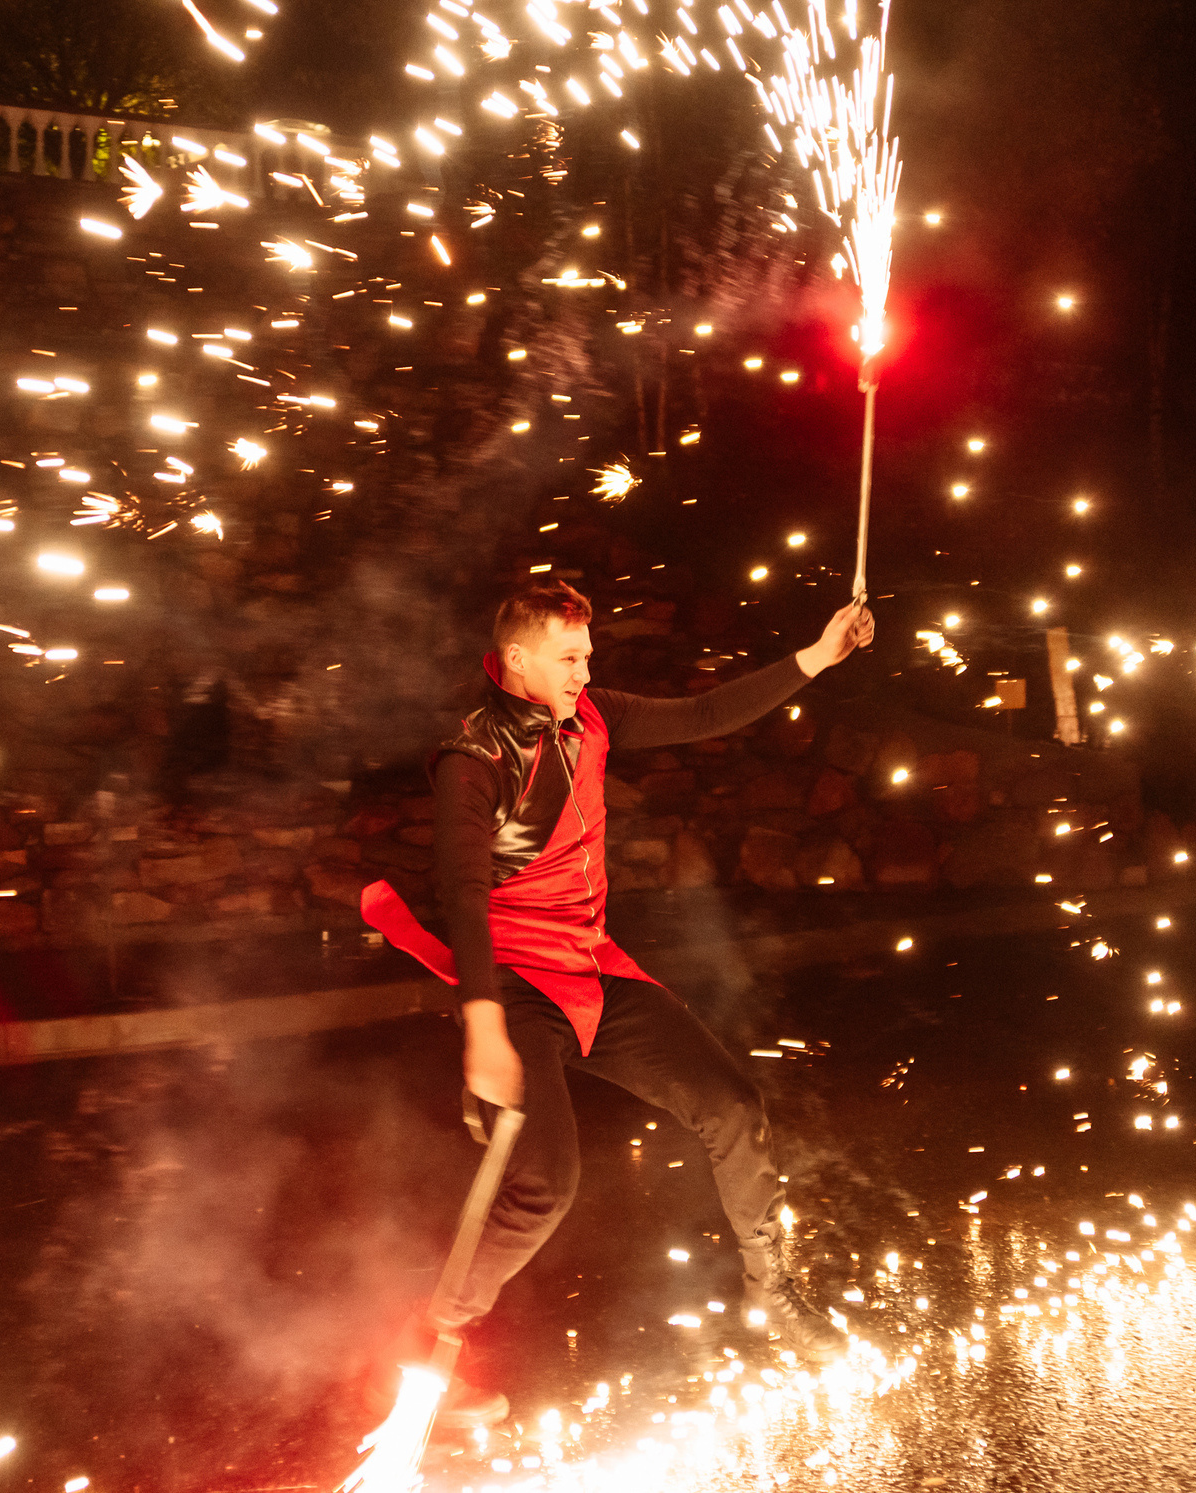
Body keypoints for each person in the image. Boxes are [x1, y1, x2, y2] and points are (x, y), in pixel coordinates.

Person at [361, 580, 876, 1420]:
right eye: (570, 657)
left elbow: (705, 712)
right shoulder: (471, 758)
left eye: (588, 655)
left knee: (734, 1106)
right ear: (517, 658)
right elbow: (461, 893)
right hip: (514, 987)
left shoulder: (594, 716)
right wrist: (484, 1026)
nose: (585, 671)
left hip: (593, 969)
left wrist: (819, 655)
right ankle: (431, 1352)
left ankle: (772, 1294)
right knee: (544, 1183)